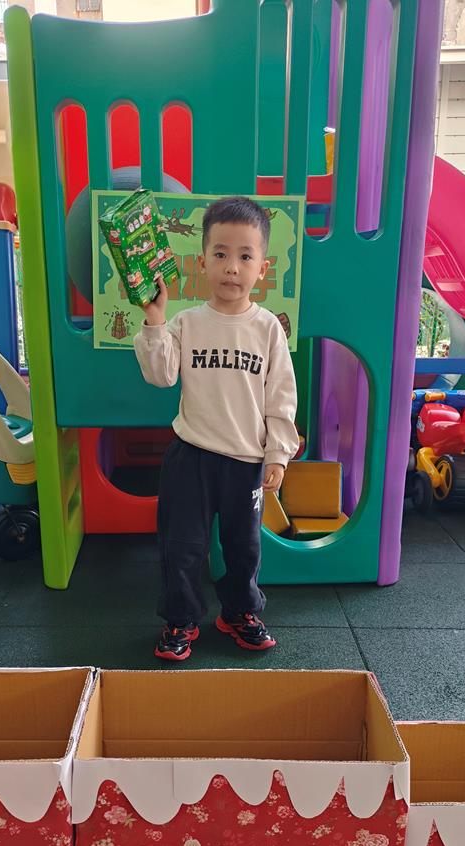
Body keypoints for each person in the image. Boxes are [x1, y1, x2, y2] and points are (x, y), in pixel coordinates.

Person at [134, 196, 300, 661]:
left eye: (245, 256)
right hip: (191, 457)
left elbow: (281, 395)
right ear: (202, 261)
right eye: (221, 254)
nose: (232, 267)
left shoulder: (267, 329)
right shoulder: (186, 323)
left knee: (244, 547)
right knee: (183, 546)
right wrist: (155, 320)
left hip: (246, 463)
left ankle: (239, 612)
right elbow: (161, 375)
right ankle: (181, 619)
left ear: (262, 268)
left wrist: (278, 453)